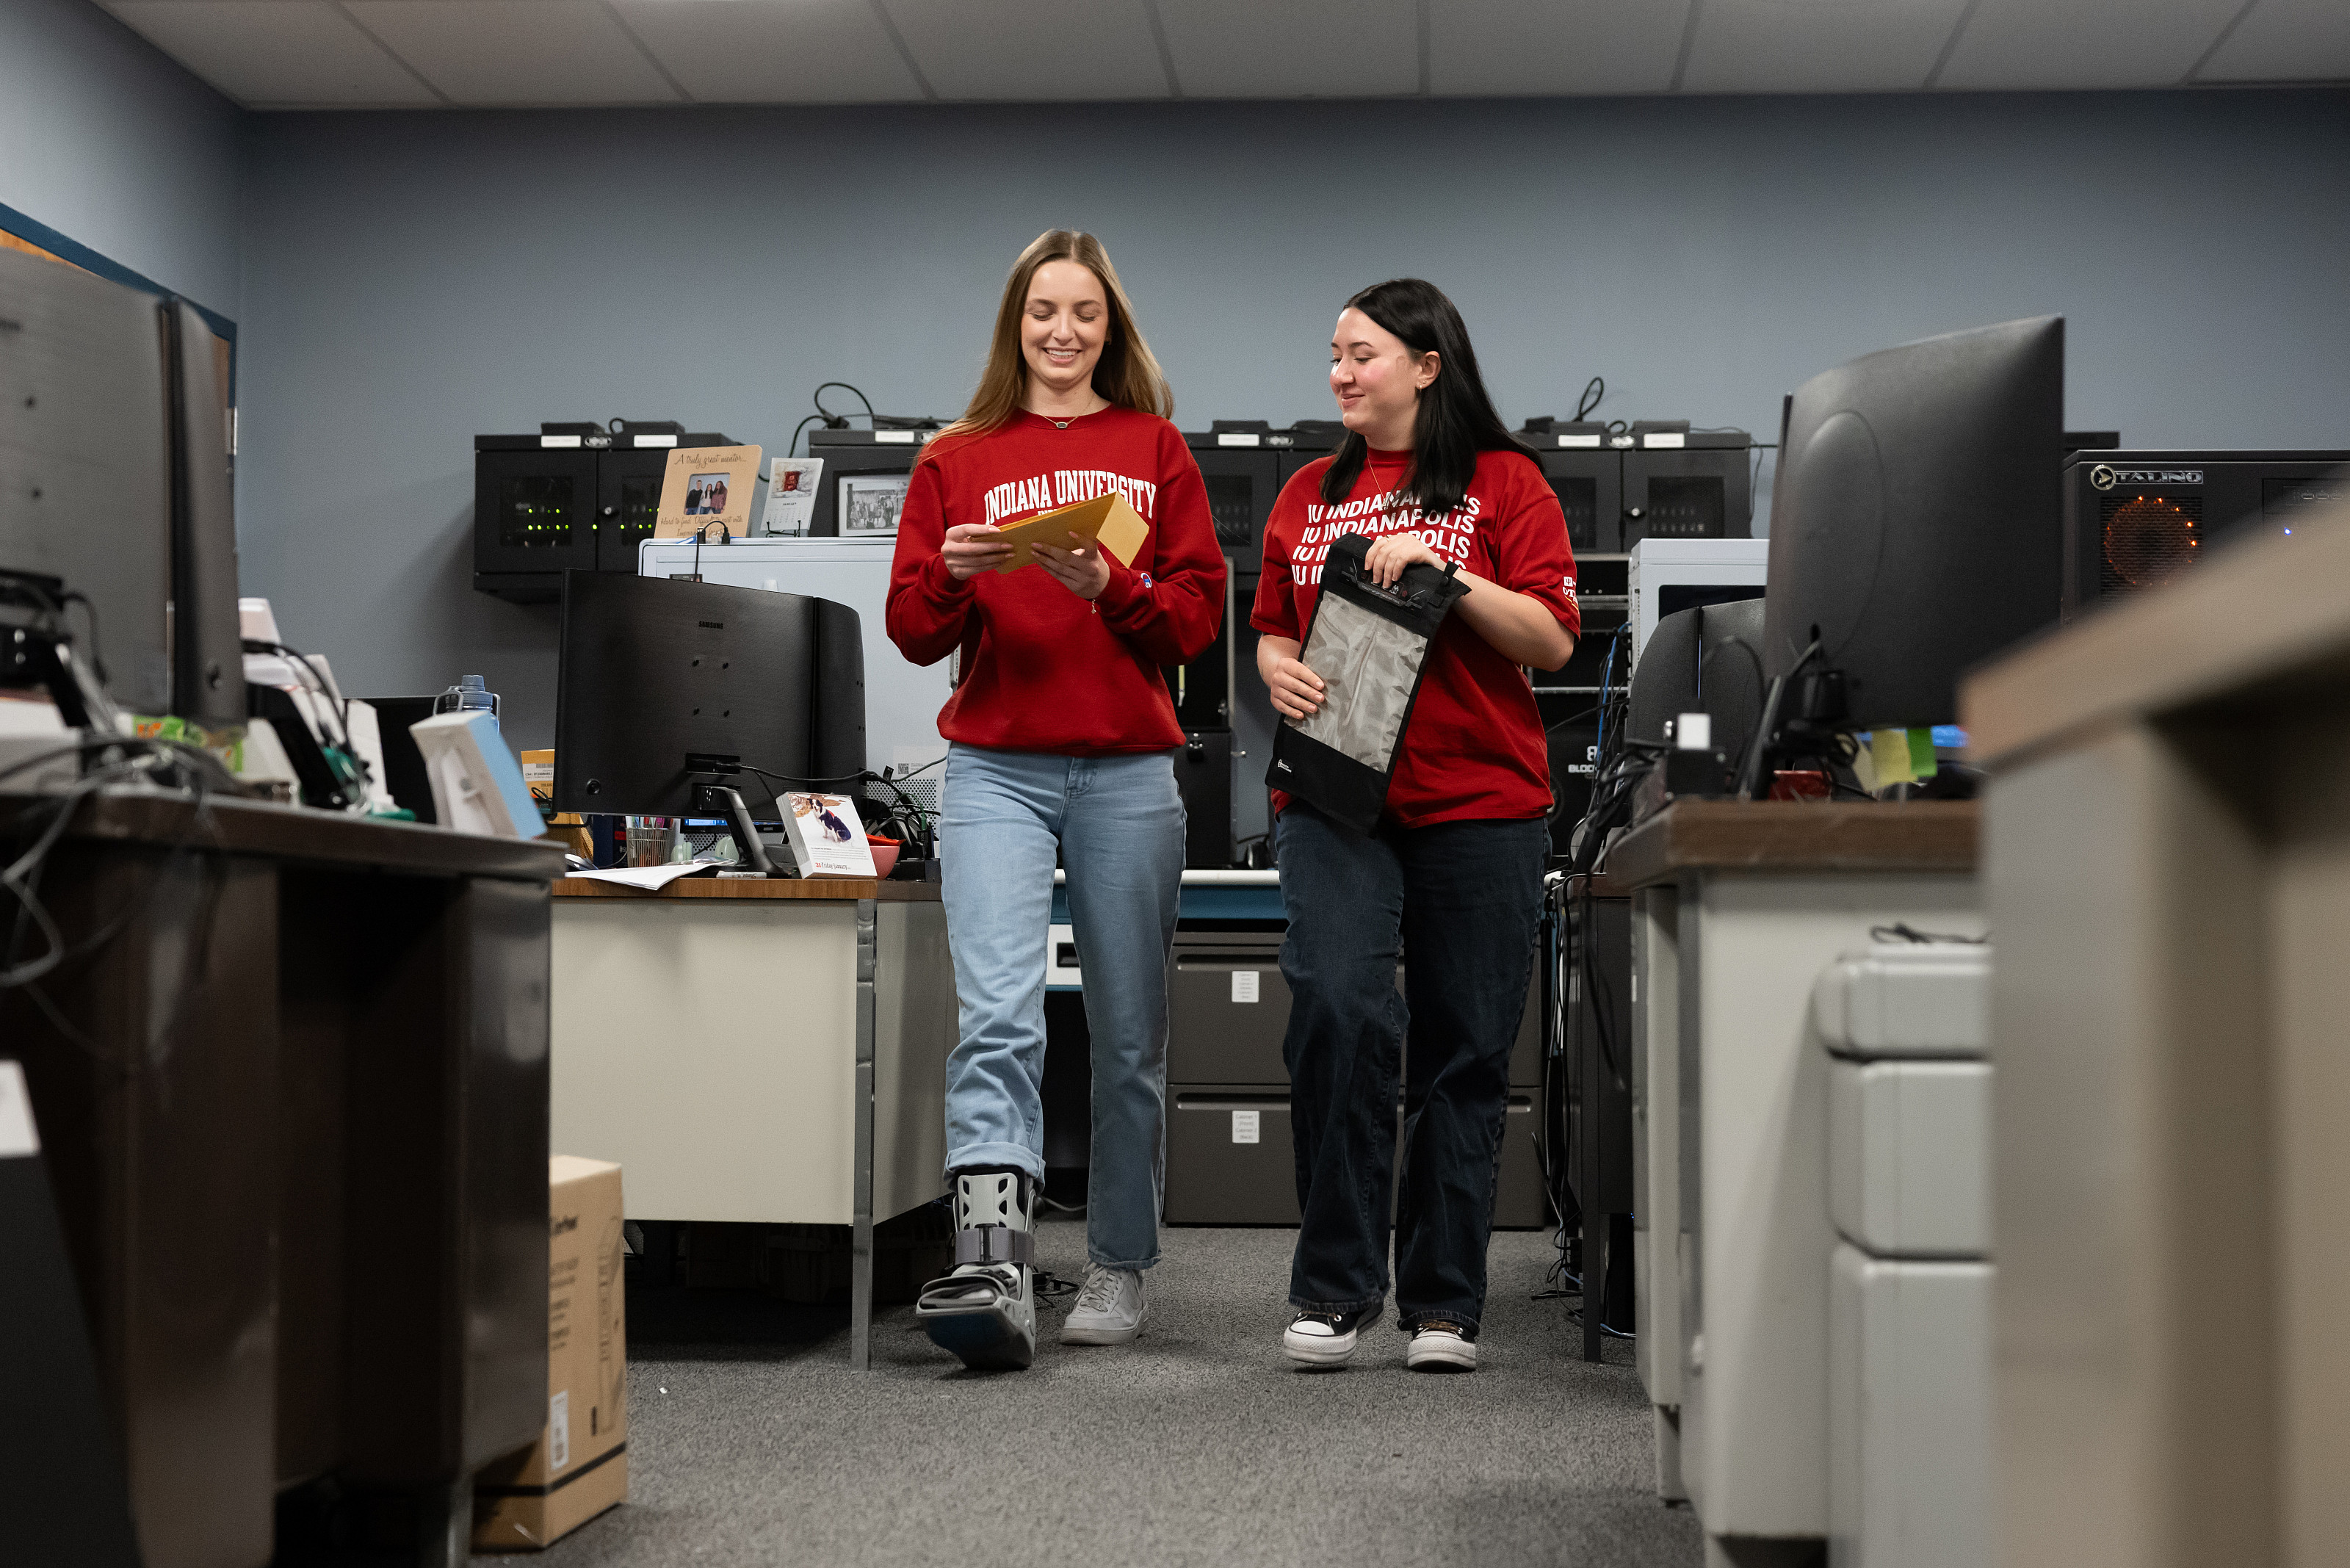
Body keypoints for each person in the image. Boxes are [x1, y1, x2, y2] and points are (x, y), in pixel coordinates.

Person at [886, 229, 1225, 1370]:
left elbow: (1194, 621)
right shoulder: (957, 456)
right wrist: (957, 573)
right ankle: (995, 1260)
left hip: (1129, 767)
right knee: (997, 1018)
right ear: (1015, 325)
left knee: (1129, 1036)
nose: (1062, 332)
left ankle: (1122, 1264)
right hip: (995, 766)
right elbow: (911, 626)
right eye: (1043, 312)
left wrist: (1111, 585)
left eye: (1083, 313)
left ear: (1109, 328)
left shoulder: (1156, 447)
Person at [1251, 278, 1578, 1373]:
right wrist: (1280, 673)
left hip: (1481, 800)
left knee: (1464, 1051)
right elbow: (1269, 631)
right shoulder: (1305, 491)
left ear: (1427, 365)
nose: (1340, 372)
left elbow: (1551, 639)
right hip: (1338, 801)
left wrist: (1452, 574)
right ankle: (1335, 1289)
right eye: (1333, 354)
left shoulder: (1504, 482)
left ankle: (1444, 1305)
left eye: (1363, 354)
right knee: (1339, 1009)